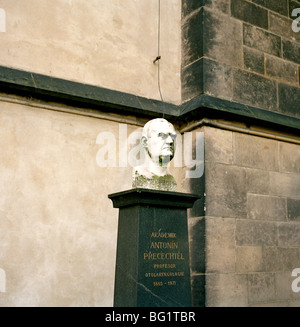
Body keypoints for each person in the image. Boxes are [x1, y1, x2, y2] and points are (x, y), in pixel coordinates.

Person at [132, 118, 177, 191]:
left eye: (173, 137)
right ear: (145, 142)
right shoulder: (139, 174)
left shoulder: (171, 180)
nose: (170, 141)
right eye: (162, 136)